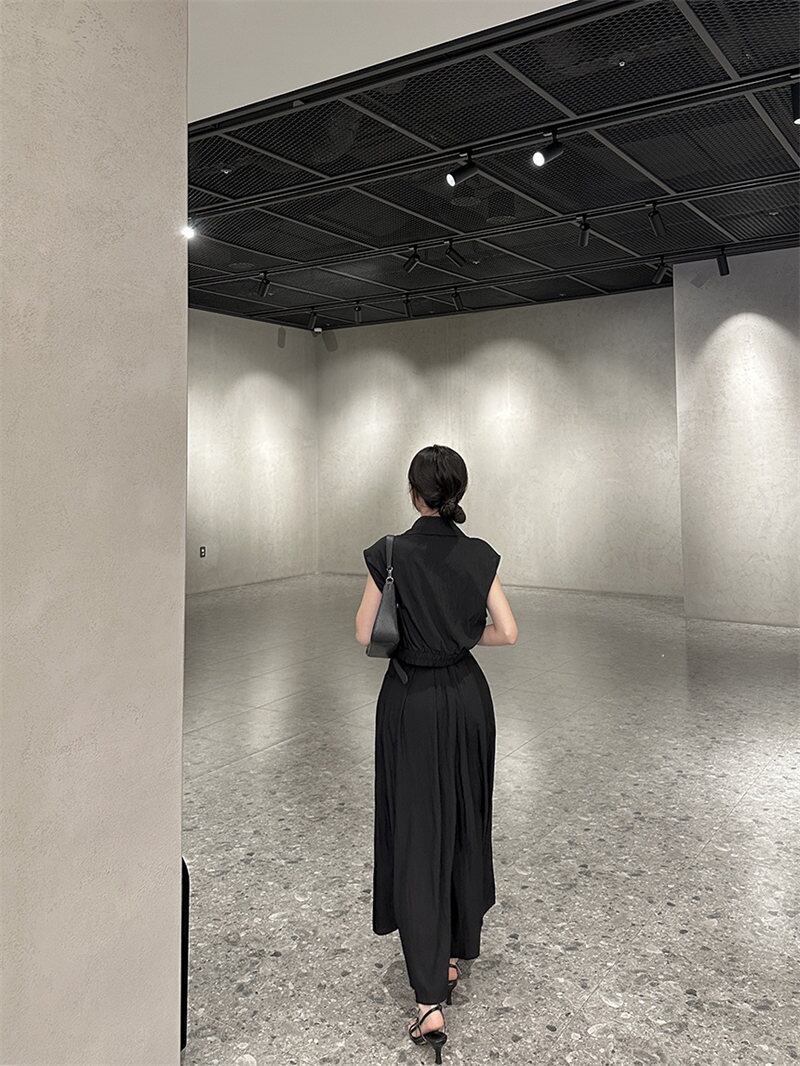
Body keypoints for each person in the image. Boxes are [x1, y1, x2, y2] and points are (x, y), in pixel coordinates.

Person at [355, 444, 518, 1063]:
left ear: (413, 491)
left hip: (411, 702)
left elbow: (365, 632)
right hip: (468, 699)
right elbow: (507, 631)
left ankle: (428, 1000)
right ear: (458, 493)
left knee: (418, 833)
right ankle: (451, 952)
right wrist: (460, 636)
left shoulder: (390, 552)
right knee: (462, 821)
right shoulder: (479, 554)